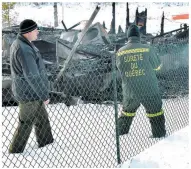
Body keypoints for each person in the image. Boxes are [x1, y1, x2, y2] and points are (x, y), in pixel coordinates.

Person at [9, 19, 54, 153]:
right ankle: (15, 152)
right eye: (35, 30)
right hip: (29, 94)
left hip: (33, 93)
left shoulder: (23, 44)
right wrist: (44, 95)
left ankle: (47, 145)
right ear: (28, 32)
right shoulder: (24, 49)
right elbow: (32, 76)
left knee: (42, 120)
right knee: (26, 123)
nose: (38, 32)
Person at [116, 24, 166, 138]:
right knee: (155, 113)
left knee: (127, 113)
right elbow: (157, 67)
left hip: (130, 90)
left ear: (128, 37)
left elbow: (120, 68)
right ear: (139, 36)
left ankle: (120, 135)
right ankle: (159, 136)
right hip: (149, 88)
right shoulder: (147, 48)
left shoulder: (120, 52)